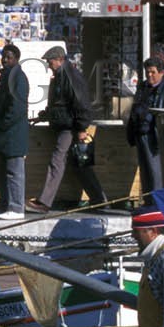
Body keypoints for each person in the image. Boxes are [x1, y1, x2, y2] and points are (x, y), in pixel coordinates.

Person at [30, 47, 105, 212]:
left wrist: (81, 128)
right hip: (68, 125)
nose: (48, 65)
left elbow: (81, 104)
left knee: (57, 160)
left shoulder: (69, 77)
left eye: (50, 62)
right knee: (80, 163)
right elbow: (62, 103)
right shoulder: (63, 75)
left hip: (69, 127)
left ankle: (44, 202)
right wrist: (45, 115)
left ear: (59, 59)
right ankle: (99, 200)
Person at [0, 43, 29, 220]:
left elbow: (17, 107)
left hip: (12, 133)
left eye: (9, 57)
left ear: (16, 58)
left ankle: (16, 207)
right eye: (3, 56)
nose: (5, 60)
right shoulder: (7, 77)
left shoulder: (18, 77)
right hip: (3, 134)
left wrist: (2, 124)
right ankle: (5, 206)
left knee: (14, 172)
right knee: (1, 172)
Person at [129, 56, 164, 195]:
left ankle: (157, 204)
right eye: (147, 72)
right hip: (140, 133)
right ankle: (148, 203)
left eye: (153, 72)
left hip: (155, 137)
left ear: (161, 72)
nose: (149, 75)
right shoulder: (142, 87)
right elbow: (135, 109)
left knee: (155, 173)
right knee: (145, 172)